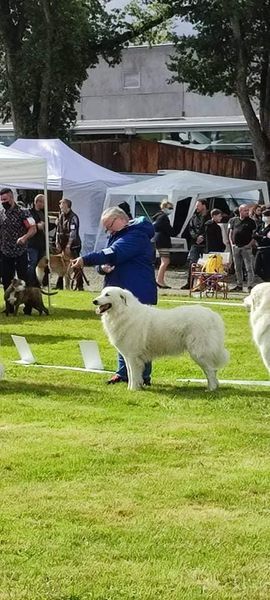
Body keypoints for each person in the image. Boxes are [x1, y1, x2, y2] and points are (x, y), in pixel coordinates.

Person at [71, 206, 157, 385]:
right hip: (117, 293)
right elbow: (106, 258)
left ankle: (143, 377)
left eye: (109, 225)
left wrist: (85, 259)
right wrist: (101, 268)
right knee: (120, 334)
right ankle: (123, 373)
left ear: (121, 219)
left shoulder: (135, 236)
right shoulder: (118, 235)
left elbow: (113, 253)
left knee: (142, 338)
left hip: (137, 292)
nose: (107, 230)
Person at [0, 188, 36, 307]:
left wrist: (24, 237)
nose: (3, 202)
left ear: (11, 198)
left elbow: (33, 228)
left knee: (24, 279)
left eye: (5, 199)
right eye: (1, 200)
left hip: (20, 251)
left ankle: (28, 306)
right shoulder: (1, 213)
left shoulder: (23, 212)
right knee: (6, 280)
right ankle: (9, 307)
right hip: (5, 252)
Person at [181, 199, 210, 289]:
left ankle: (205, 284)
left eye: (198, 205)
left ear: (204, 206)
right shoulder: (194, 216)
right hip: (195, 243)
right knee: (192, 263)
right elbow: (191, 228)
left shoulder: (209, 216)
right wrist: (196, 237)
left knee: (206, 264)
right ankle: (189, 283)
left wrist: (203, 237)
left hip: (206, 244)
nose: (196, 207)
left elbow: (210, 228)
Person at [55, 198, 83, 290]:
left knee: (76, 265)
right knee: (62, 263)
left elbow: (73, 232)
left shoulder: (73, 217)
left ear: (66, 205)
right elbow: (58, 230)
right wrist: (57, 242)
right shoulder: (61, 216)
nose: (60, 206)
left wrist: (68, 245)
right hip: (63, 244)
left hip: (73, 245)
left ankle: (80, 285)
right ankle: (59, 285)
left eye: (61, 204)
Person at [228, 203, 256, 292]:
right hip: (236, 247)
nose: (247, 212)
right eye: (245, 210)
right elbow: (230, 232)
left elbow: (254, 235)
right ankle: (239, 285)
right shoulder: (233, 220)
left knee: (249, 267)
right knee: (237, 267)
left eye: (248, 210)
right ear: (240, 211)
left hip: (246, 247)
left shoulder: (251, 222)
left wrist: (250, 244)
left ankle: (250, 285)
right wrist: (232, 243)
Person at [153, 199, 174, 288]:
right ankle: (159, 280)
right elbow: (168, 229)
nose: (171, 209)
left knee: (164, 261)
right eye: (170, 208)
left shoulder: (157, 217)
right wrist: (173, 231)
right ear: (164, 207)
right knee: (165, 261)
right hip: (162, 240)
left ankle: (160, 280)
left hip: (158, 239)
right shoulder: (163, 217)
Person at [27, 194, 48, 286]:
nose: (42, 204)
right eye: (40, 201)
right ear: (36, 202)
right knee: (32, 264)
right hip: (32, 243)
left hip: (42, 244)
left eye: (43, 202)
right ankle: (30, 283)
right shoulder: (29, 212)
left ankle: (38, 283)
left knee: (40, 265)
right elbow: (26, 225)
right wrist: (37, 226)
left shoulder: (44, 213)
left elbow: (46, 227)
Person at [253, 208, 270, 281]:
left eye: (266, 215)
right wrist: (262, 236)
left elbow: (267, 239)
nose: (264, 217)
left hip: (267, 249)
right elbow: (254, 235)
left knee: (267, 268)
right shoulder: (261, 225)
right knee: (256, 269)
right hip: (259, 249)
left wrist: (259, 236)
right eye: (263, 215)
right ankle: (266, 280)